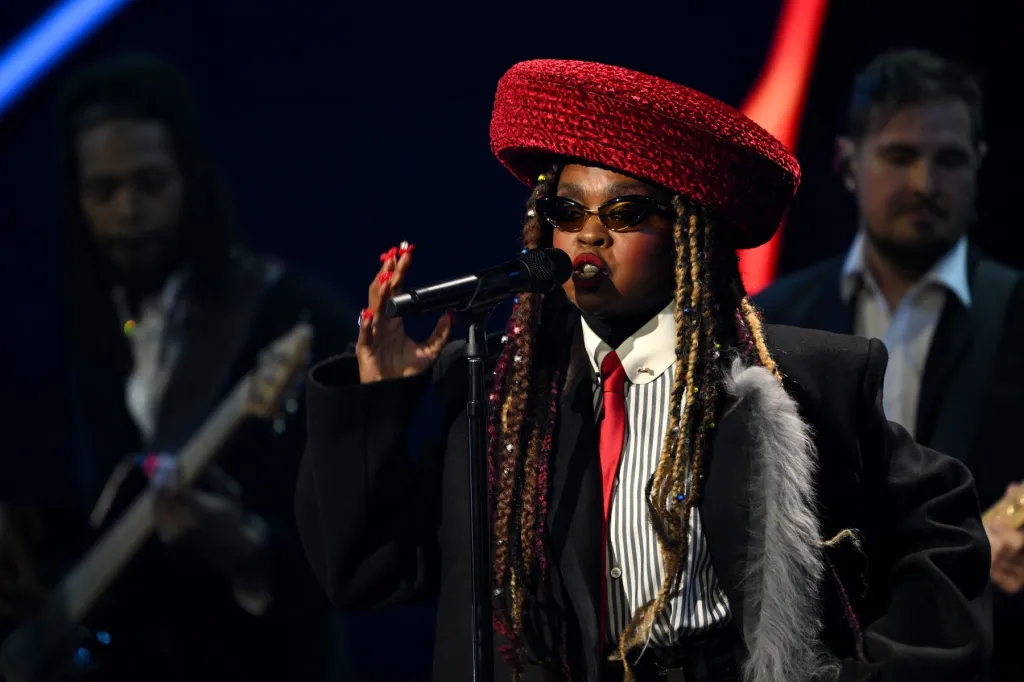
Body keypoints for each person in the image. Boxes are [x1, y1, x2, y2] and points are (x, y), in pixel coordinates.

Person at [295, 59, 991, 682]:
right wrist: (376, 399)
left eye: (626, 213)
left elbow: (942, 529)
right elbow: (368, 571)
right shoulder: (503, 395)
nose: (589, 234)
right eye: (568, 210)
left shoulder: (793, 379)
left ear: (689, 233)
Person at [20, 52, 359, 681]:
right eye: (103, 191)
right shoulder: (64, 330)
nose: (127, 210)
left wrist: (249, 549)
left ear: (191, 177)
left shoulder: (299, 320)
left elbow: (353, 549)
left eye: (149, 183)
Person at [754, 49, 1024, 680]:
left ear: (979, 165)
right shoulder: (773, 318)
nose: (925, 184)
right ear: (847, 162)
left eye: (949, 159)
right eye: (900, 156)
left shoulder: (1017, 312)